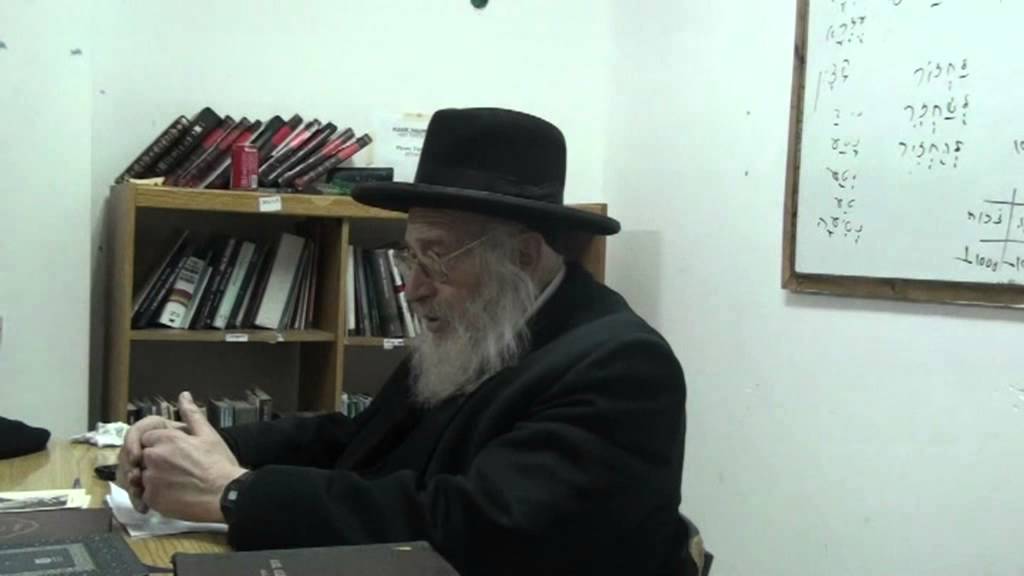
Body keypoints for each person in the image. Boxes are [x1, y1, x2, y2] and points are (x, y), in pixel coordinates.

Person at [117, 107, 688, 575]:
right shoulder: (487, 326)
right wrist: (199, 443)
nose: (411, 290)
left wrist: (236, 492)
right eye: (409, 257)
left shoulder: (621, 367)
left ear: (522, 256)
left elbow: (477, 531)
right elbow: (361, 440)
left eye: (436, 258)